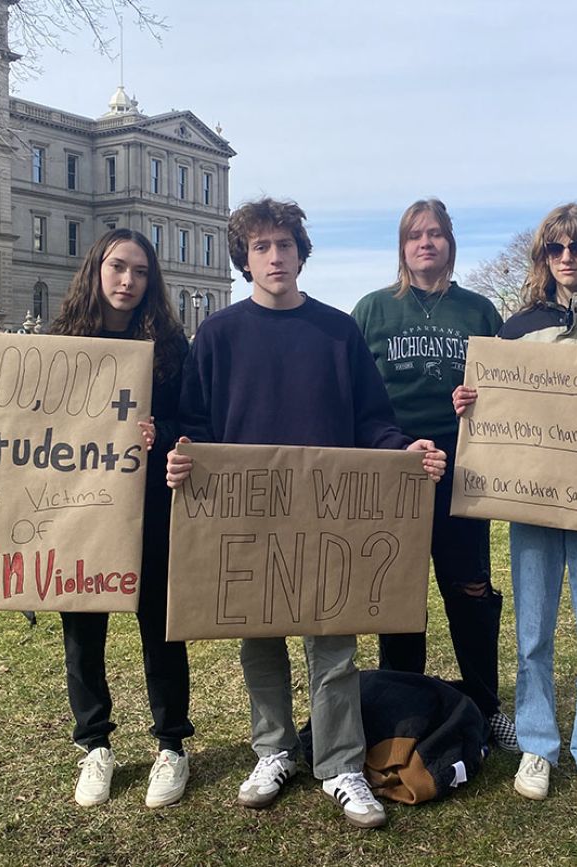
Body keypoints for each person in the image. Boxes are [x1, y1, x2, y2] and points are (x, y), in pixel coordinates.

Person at [164, 198, 447, 830]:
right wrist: (184, 459)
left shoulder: (336, 331)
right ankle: (273, 749)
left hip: (329, 519)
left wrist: (404, 451)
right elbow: (196, 427)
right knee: (258, 639)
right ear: (244, 259)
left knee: (333, 643)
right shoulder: (218, 335)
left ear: (300, 253)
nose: (274, 257)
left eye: (284, 245)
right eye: (261, 247)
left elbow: (371, 420)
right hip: (248, 517)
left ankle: (342, 763)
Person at [0, 229, 195, 809]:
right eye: (118, 267)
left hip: (148, 507)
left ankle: (172, 744)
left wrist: (167, 434)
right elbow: (8, 424)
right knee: (81, 630)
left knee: (160, 626)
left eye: (141, 272)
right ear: (96, 270)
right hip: (72, 507)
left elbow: (195, 423)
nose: (128, 282)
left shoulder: (171, 350)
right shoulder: (57, 343)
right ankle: (95, 744)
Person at [453, 203, 577, 812]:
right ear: (542, 257)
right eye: (555, 249)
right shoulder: (517, 330)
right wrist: (472, 405)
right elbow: (498, 413)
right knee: (532, 635)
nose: (567, 259)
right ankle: (539, 744)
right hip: (532, 506)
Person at [351, 198, 516, 752]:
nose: (426, 243)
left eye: (436, 235)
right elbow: (352, 394)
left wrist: (483, 400)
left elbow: (513, 392)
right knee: (398, 594)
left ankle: (485, 706)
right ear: (402, 246)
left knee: (470, 590)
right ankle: (403, 713)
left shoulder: (478, 312)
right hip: (395, 467)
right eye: (415, 235)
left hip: (463, 468)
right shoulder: (372, 310)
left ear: (450, 243)